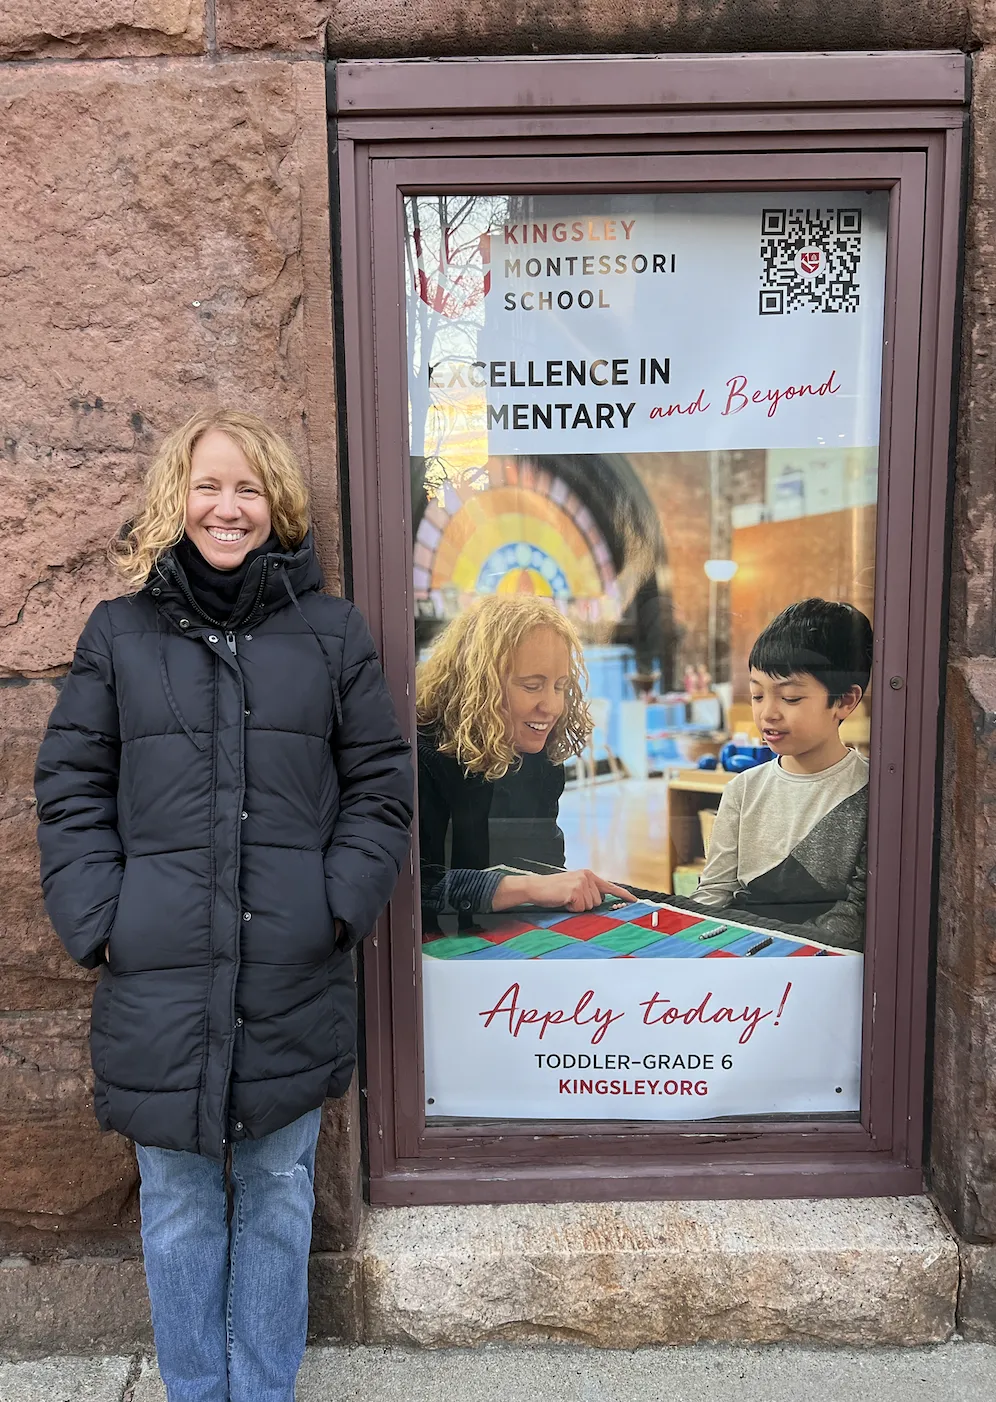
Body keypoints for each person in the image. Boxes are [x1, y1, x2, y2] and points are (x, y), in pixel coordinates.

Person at [34, 409, 413, 1402]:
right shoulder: (118, 635)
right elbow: (70, 786)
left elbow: (380, 783)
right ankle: (198, 1392)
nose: (227, 506)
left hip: (292, 970)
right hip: (158, 977)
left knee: (282, 1195)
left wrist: (333, 906)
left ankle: (264, 1390)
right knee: (179, 1201)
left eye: (248, 488)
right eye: (209, 485)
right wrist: (104, 920)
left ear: (277, 503)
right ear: (178, 497)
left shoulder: (330, 633)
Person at [416, 594, 632, 929]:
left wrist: (561, 885)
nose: (552, 707)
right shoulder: (422, 756)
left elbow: (543, 863)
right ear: (480, 683)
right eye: (532, 686)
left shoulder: (539, 757)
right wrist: (527, 886)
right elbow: (411, 888)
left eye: (560, 686)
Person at [692, 598, 872, 951]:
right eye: (757, 694)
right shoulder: (743, 788)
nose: (767, 714)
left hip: (819, 964)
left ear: (845, 701)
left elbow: (852, 917)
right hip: (737, 950)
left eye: (789, 698)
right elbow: (713, 893)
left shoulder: (873, 790)